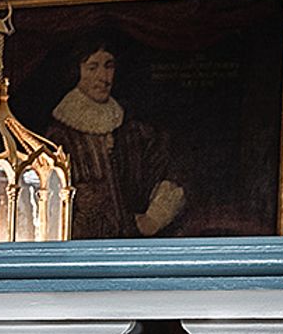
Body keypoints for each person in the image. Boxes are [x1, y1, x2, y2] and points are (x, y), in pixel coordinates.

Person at [44, 32, 185, 239]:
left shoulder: (134, 129)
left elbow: (164, 175)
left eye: (109, 66)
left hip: (133, 244)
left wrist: (154, 218)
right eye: (93, 68)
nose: (103, 77)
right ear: (77, 71)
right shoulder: (58, 136)